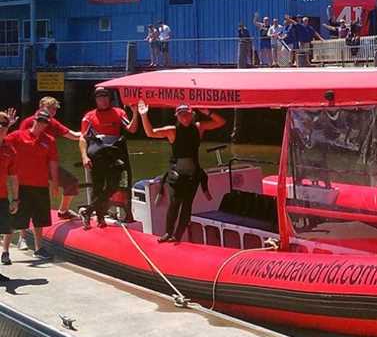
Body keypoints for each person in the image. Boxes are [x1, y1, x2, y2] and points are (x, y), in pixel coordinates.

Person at [138, 102, 224, 243]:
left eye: (187, 114)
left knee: (187, 206)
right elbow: (150, 133)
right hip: (176, 174)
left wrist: (208, 112)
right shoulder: (172, 130)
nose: (184, 117)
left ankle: (177, 236)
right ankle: (168, 233)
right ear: (177, 116)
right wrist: (143, 115)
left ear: (192, 114)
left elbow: (221, 122)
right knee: (174, 203)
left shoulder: (198, 127)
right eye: (181, 115)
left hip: (193, 174)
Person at [79, 87, 139, 228]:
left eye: (105, 97)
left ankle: (87, 211)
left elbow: (132, 129)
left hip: (113, 156)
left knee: (113, 186)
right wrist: (84, 156)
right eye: (100, 98)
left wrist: (135, 113)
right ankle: (100, 219)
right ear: (96, 100)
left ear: (109, 98)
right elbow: (82, 138)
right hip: (97, 156)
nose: (103, 100)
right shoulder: (89, 117)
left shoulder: (119, 113)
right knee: (97, 187)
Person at [3, 110, 57, 260]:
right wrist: (8, 126)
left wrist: (55, 183)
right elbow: (2, 141)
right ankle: (5, 251)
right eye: (39, 120)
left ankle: (39, 249)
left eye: (45, 122)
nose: (42, 124)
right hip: (21, 185)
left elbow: (53, 162)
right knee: (14, 219)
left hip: (41, 184)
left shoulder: (50, 140)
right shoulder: (18, 135)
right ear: (34, 120)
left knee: (40, 219)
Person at [19, 97, 81, 221]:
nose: (53, 112)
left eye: (55, 110)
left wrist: (88, 133)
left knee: (72, 183)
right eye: (50, 108)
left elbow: (74, 135)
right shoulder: (28, 122)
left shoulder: (53, 122)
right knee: (27, 195)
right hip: (29, 165)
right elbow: (19, 143)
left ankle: (63, 211)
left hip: (48, 164)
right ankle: (23, 234)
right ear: (41, 106)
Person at [0, 110, 18, 277]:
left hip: (3, 197)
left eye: (3, 125)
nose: (0, 127)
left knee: (3, 229)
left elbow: (13, 177)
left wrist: (15, 199)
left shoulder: (9, 148)